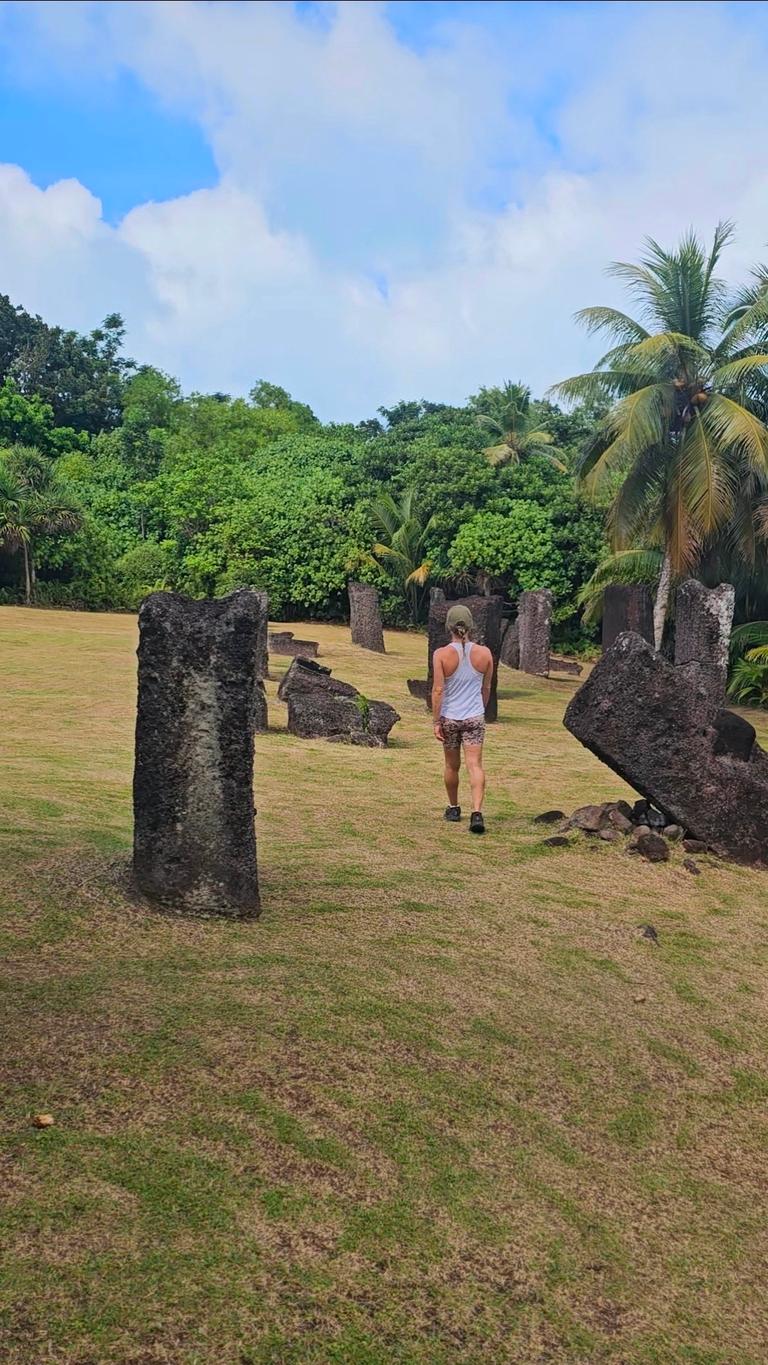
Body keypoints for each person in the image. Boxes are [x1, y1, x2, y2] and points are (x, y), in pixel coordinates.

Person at [431, 604, 493, 834]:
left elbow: (438, 690)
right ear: (470, 626)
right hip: (474, 716)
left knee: (451, 765)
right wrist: (479, 709)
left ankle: (454, 807)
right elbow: (486, 688)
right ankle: (476, 812)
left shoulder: (441, 654)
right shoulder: (485, 654)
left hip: (450, 717)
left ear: (449, 626)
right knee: (475, 765)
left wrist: (436, 721)